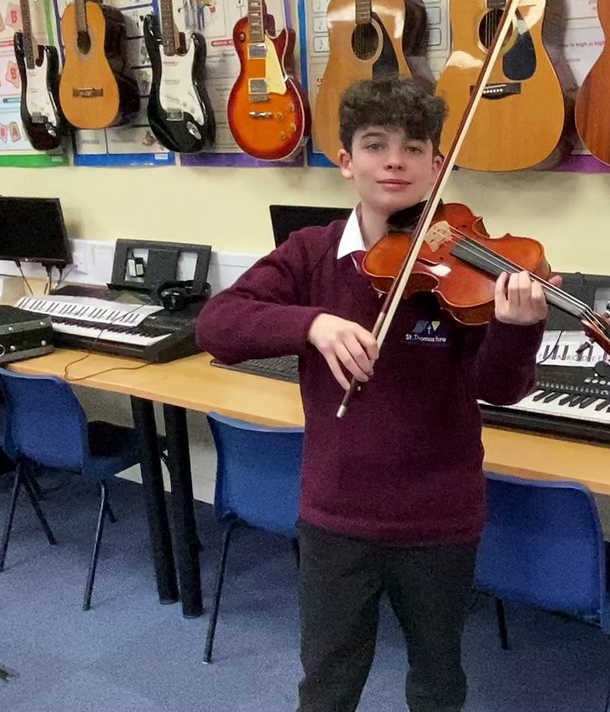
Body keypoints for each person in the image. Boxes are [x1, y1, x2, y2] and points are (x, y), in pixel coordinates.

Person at [195, 76, 557, 712]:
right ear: (346, 162)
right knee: (329, 681)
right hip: (337, 514)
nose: (395, 160)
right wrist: (311, 322)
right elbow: (218, 325)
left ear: (438, 165)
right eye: (374, 144)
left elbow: (500, 389)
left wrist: (516, 330)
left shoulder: (466, 268)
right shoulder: (310, 256)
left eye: (414, 148)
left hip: (439, 516)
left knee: (438, 678)